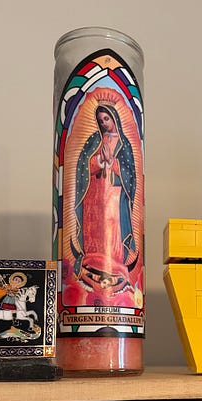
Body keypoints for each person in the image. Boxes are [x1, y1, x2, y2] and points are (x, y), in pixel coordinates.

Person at [72, 103, 138, 299]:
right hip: (94, 192)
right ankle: (91, 262)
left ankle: (114, 265)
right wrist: (99, 161)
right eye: (101, 121)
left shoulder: (124, 144)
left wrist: (113, 162)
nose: (104, 123)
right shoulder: (94, 140)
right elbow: (83, 165)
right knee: (94, 226)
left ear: (114, 118)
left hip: (114, 195)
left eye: (106, 119)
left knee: (112, 228)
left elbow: (130, 174)